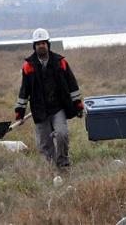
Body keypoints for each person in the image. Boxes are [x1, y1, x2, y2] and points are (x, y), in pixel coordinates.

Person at [14, 28, 83, 169]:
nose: (41, 45)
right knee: (45, 143)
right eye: (38, 43)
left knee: (62, 134)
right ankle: (50, 166)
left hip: (58, 108)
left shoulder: (60, 62)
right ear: (34, 46)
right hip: (40, 110)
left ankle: (63, 163)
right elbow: (24, 90)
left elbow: (72, 84)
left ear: (48, 44)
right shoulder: (28, 66)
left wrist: (78, 105)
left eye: (43, 43)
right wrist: (19, 111)